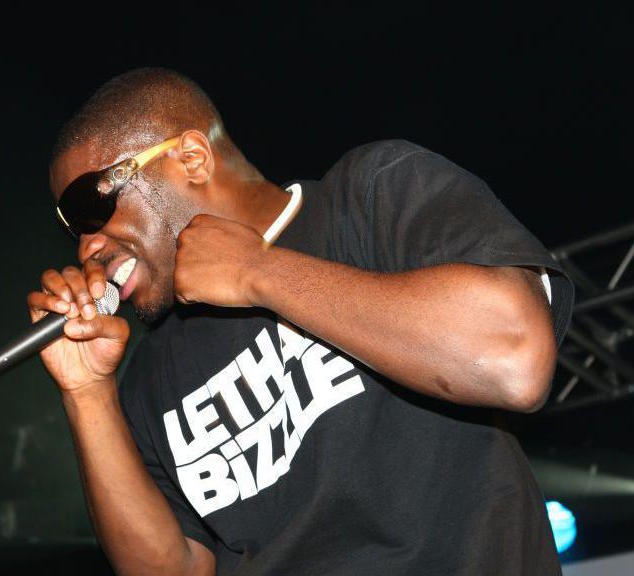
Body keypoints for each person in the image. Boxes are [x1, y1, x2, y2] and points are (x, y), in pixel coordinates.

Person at [29, 67, 573, 576]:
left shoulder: (368, 196)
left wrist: (258, 272)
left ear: (191, 158)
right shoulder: (152, 376)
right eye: (69, 228)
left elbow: (513, 358)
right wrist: (88, 392)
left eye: (89, 207)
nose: (87, 246)